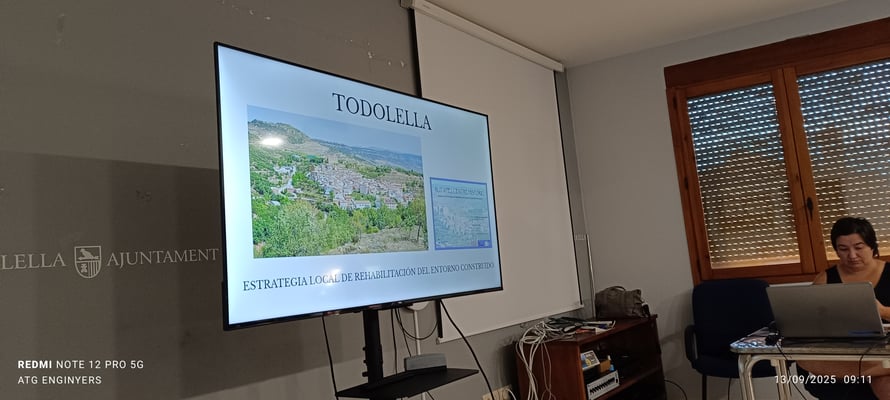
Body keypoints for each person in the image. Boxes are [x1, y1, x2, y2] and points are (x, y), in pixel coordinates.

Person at [796, 216, 890, 399]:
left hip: (882, 351)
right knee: (807, 360)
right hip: (845, 351)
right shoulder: (825, 279)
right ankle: (874, 369)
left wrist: (883, 311)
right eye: (843, 249)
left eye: (859, 247)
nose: (852, 256)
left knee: (885, 384)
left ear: (872, 245)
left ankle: (869, 370)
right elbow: (808, 319)